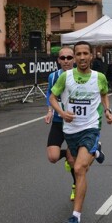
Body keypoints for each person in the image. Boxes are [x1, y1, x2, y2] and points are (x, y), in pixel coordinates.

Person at [50, 41, 112, 223]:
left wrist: (108, 110)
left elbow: (104, 94)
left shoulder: (99, 77)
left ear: (91, 55)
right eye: (78, 54)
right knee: (74, 162)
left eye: (85, 53)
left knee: (79, 169)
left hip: (90, 128)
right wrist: (62, 113)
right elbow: (52, 97)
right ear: (75, 57)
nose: (82, 57)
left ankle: (75, 217)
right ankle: (96, 151)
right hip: (70, 131)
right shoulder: (66, 77)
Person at [44, 46, 77, 200]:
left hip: (74, 123)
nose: (66, 61)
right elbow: (50, 94)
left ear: (74, 59)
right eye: (62, 58)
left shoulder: (80, 76)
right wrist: (50, 111)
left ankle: (75, 186)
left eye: (69, 57)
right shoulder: (53, 76)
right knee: (52, 157)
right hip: (58, 121)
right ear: (58, 60)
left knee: (72, 160)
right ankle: (70, 154)